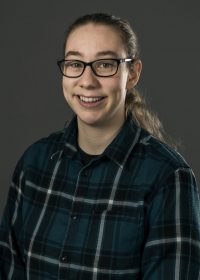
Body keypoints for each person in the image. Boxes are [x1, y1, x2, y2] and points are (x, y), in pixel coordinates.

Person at [0, 13, 199, 280]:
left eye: (105, 64)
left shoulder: (168, 178)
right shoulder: (33, 164)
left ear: (133, 74)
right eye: (75, 63)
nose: (87, 80)